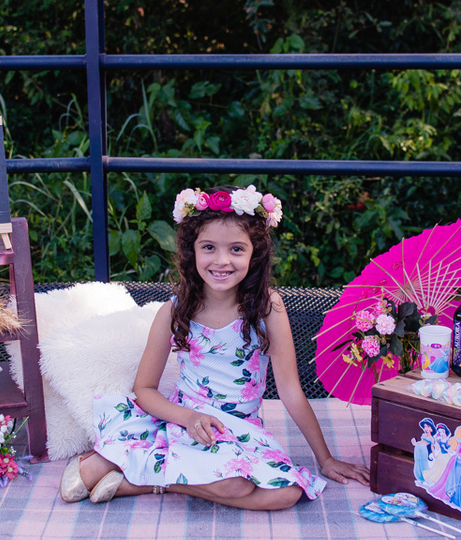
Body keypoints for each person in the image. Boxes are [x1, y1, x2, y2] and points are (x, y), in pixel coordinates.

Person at [60, 184, 370, 510]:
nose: (222, 261)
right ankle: (130, 460)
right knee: (234, 485)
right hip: (186, 420)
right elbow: (145, 389)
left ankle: (142, 481)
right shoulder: (174, 311)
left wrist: (325, 459)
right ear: (191, 251)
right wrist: (189, 417)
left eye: (236, 249)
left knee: (287, 493)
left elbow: (291, 391)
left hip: (239, 429)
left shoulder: (268, 308)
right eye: (209, 247)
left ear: (254, 253)